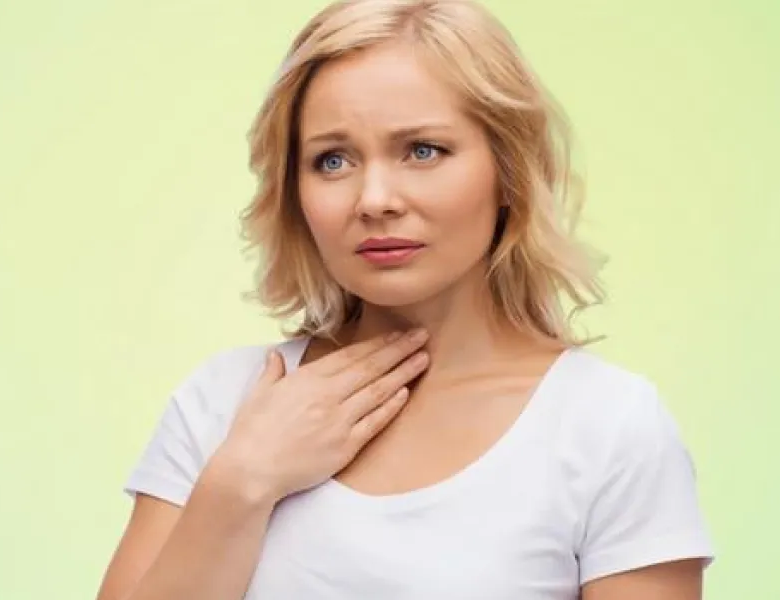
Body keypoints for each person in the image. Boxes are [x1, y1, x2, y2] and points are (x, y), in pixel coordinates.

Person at [96, 0, 715, 598]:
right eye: (332, 160)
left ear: (509, 171)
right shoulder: (225, 403)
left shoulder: (607, 426)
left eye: (423, 151)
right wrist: (242, 482)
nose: (374, 200)